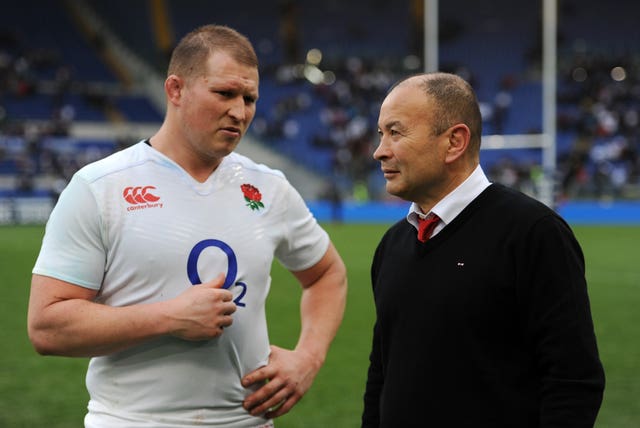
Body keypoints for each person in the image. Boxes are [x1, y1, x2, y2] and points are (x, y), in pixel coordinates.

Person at [27, 24, 347, 428]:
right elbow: (47, 326)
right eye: (225, 93)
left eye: (249, 98)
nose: (240, 111)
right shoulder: (100, 186)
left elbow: (327, 275)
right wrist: (169, 317)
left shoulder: (269, 188)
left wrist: (308, 357)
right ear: (175, 90)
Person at [362, 72, 604, 427]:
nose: (379, 150)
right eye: (381, 133)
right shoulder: (392, 245)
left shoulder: (533, 234)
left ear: (454, 142)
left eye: (395, 132)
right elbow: (381, 372)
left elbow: (573, 380)